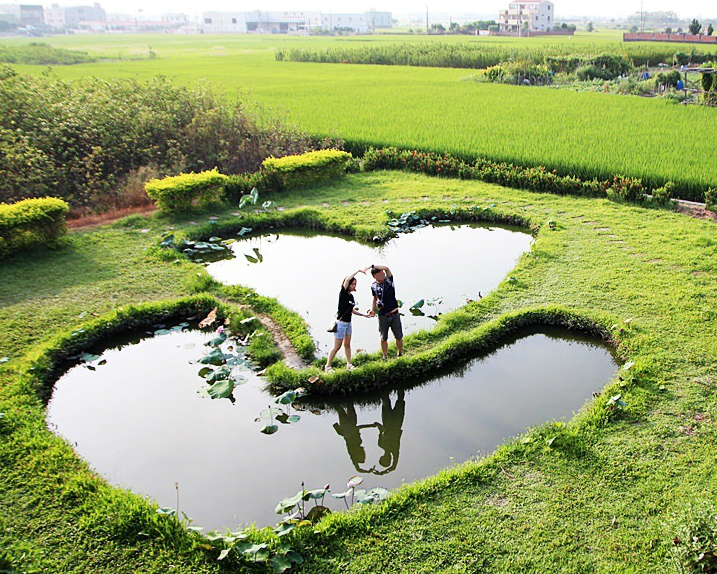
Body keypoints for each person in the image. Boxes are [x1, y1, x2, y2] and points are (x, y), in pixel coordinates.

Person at [324, 268, 370, 372]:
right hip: (341, 324)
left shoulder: (351, 297)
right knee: (336, 347)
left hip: (348, 324)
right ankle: (328, 366)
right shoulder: (343, 293)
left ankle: (349, 364)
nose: (354, 286)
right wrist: (358, 271)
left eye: (355, 284)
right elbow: (347, 279)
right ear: (348, 285)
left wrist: (363, 315)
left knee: (347, 344)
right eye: (352, 284)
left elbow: (351, 310)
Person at [367, 264, 403, 359]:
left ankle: (400, 353)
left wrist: (372, 266)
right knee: (383, 338)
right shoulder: (373, 286)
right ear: (375, 276)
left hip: (394, 313)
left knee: (398, 336)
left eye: (383, 273)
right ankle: (384, 356)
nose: (383, 274)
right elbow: (374, 298)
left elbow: (387, 268)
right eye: (380, 273)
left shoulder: (389, 281)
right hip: (382, 315)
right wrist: (372, 309)